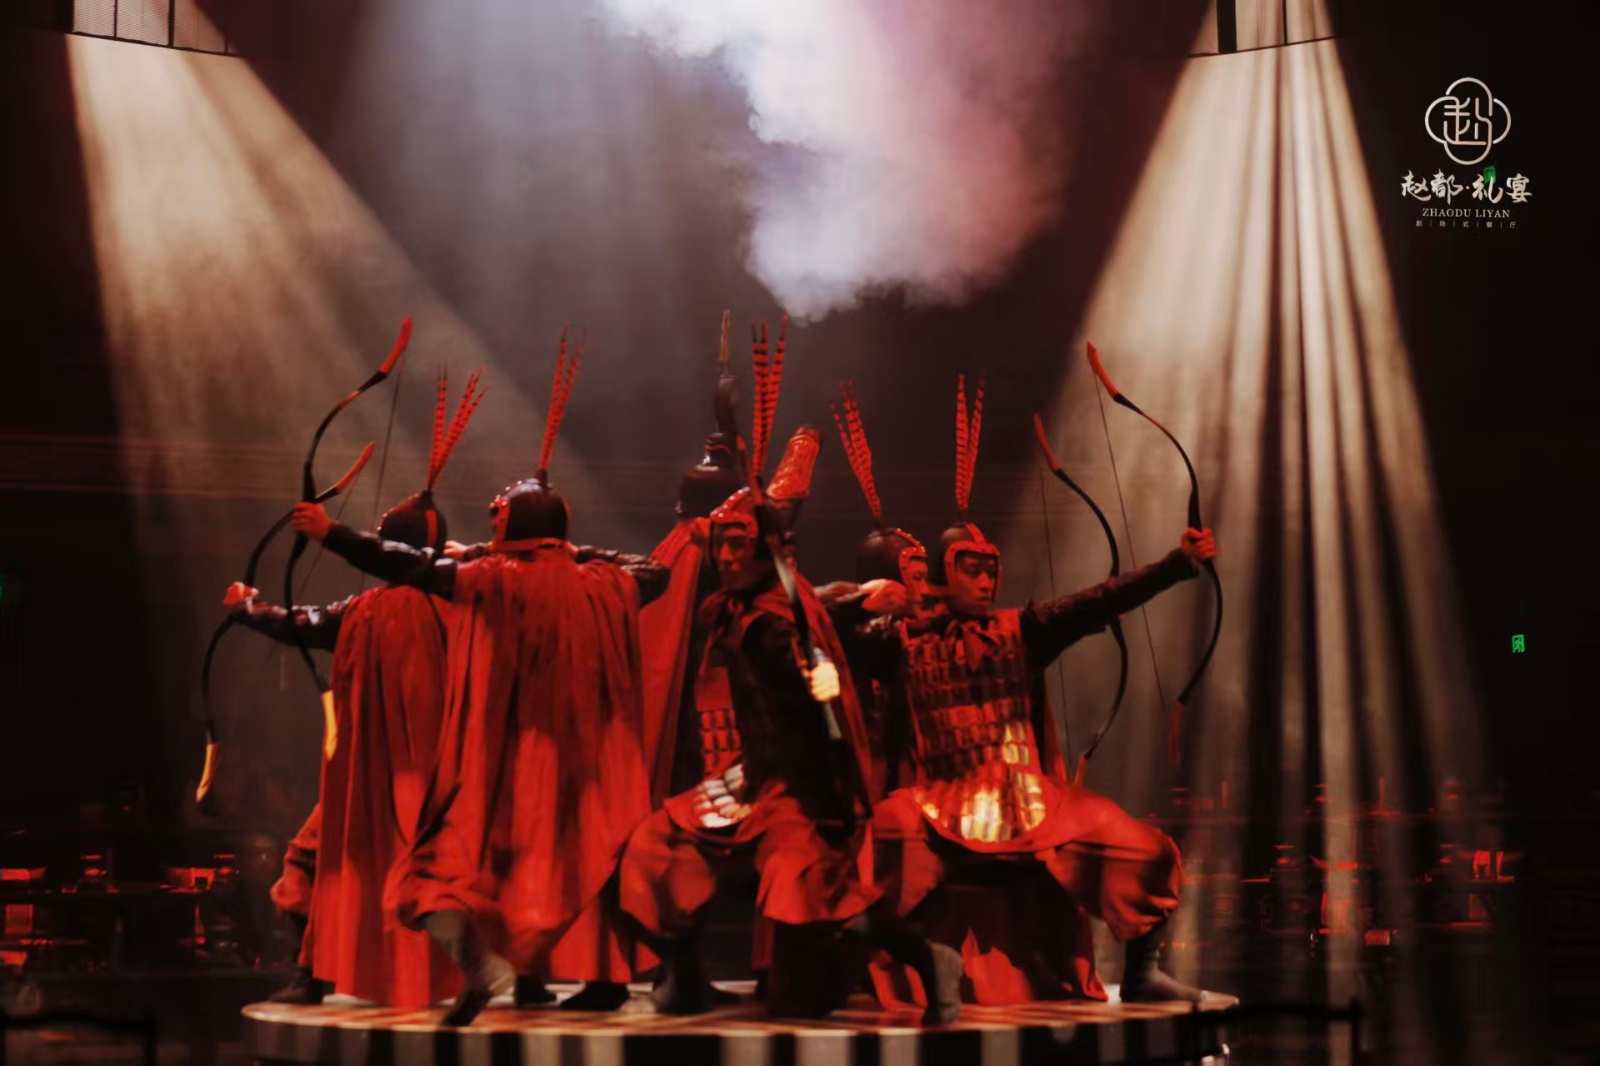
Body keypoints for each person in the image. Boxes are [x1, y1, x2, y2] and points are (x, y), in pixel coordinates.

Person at [291, 337, 665, 1024]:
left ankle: (488, 968)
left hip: (507, 776)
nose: (491, 519)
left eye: (500, 513)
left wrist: (329, 533)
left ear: (517, 523)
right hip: (587, 777)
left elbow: (402, 563)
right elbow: (655, 573)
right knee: (589, 870)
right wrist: (569, 549)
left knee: (427, 880)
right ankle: (586, 975)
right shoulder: (599, 583)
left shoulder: (492, 581)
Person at [846, 376, 1232, 1008]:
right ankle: (898, 965)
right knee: (875, 843)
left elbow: (1099, 601)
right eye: (970, 568)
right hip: (938, 805)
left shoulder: (1022, 629)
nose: (985, 580)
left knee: (1144, 849)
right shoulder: (904, 640)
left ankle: (1143, 969)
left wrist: (1176, 563)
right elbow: (823, 635)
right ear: (943, 573)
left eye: (991, 568)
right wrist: (862, 601)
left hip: (1031, 802)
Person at [617, 482, 964, 1026]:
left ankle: (928, 960)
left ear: (765, 551)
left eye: (739, 545)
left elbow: (818, 691)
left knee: (818, 908)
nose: (727, 557)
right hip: (749, 779)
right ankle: (684, 977)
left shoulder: (780, 624)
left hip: (800, 792)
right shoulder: (738, 607)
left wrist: (819, 684)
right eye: (722, 544)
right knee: (658, 847)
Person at [230, 370, 483, 1007]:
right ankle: (313, 974)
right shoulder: (378, 610)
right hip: (368, 778)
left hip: (433, 780)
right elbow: (305, 622)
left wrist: (248, 608)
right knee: (311, 861)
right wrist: (252, 609)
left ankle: (485, 976)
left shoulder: (465, 601)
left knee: (433, 875)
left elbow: (302, 622)